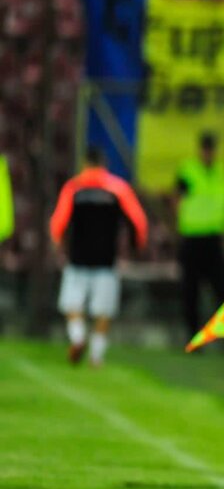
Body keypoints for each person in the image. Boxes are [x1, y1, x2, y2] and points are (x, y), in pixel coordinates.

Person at [49, 146, 148, 366]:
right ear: (104, 164)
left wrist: (58, 245)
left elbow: (58, 223)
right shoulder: (118, 189)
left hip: (77, 259)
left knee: (72, 305)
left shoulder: (74, 188)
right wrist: (136, 246)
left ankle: (78, 337)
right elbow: (138, 221)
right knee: (103, 311)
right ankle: (96, 357)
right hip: (106, 261)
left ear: (85, 163)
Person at [175, 132, 224, 342]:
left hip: (214, 239)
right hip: (192, 238)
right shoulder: (188, 170)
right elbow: (176, 199)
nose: (208, 153)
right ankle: (193, 335)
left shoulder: (221, 171)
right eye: (206, 148)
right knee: (191, 292)